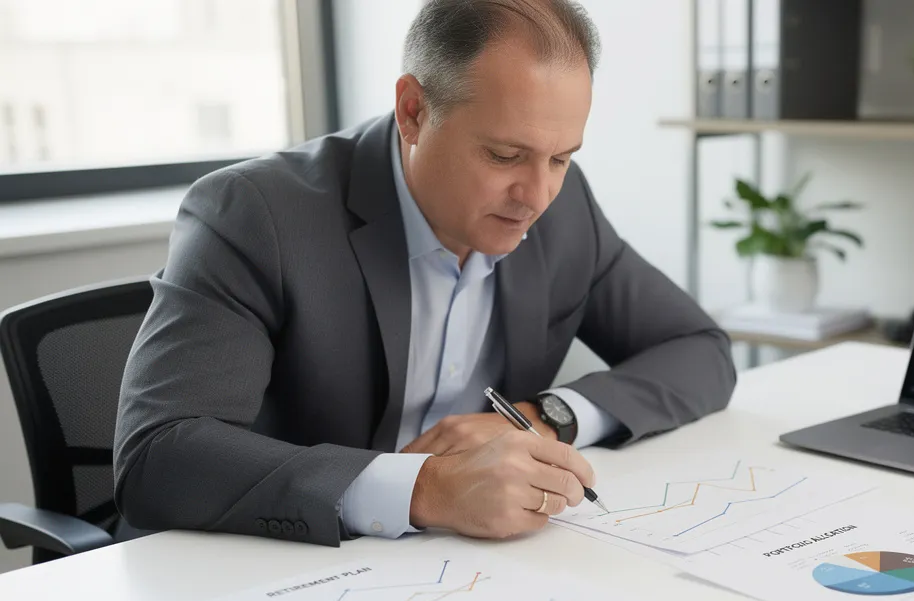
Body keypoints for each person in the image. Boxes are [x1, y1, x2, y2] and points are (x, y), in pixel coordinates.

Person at [112, 0, 735, 547]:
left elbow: (699, 349)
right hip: (259, 569)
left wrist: (544, 416)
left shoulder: (564, 210)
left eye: (561, 158)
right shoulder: (257, 213)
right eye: (504, 155)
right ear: (413, 111)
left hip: (459, 572)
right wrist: (429, 489)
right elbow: (160, 455)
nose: (536, 196)